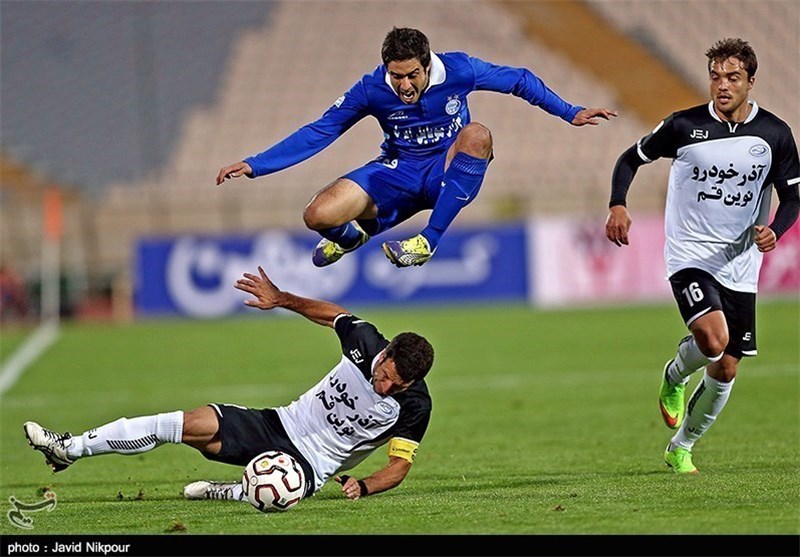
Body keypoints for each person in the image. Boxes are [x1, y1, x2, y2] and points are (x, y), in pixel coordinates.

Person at [23, 264, 435, 505]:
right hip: (278, 423)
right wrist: (283, 299)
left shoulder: (415, 404)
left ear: (412, 381)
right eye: (384, 376)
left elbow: (399, 467)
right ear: (385, 353)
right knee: (185, 424)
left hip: (312, 465)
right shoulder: (365, 341)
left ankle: (233, 492)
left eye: (395, 386)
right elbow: (333, 315)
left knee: (273, 494)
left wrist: (363, 485)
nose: (383, 387)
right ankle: (70, 448)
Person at [217, 27, 617, 268]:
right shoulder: (371, 88)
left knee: (477, 134)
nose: (404, 85)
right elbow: (322, 130)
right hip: (397, 170)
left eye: (411, 75)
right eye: (396, 76)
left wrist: (570, 112)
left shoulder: (459, 69)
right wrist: (256, 164)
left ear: (427, 65)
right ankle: (352, 237)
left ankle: (428, 240)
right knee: (316, 215)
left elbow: (519, 79)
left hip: (446, 167)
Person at [605, 38, 799, 474]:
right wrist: (618, 202)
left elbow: (792, 199)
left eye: (732, 77)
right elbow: (629, 159)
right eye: (715, 76)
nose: (722, 85)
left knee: (727, 369)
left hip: (742, 263)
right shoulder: (683, 126)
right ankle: (674, 374)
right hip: (690, 254)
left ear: (751, 81)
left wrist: (776, 231)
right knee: (713, 341)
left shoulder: (774, 134)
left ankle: (682, 445)